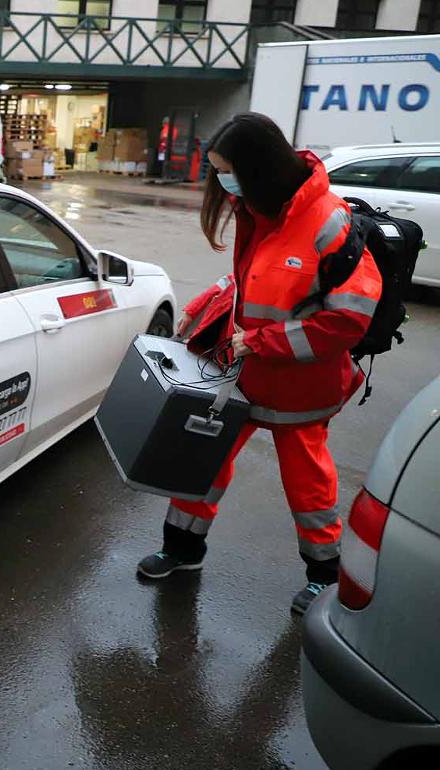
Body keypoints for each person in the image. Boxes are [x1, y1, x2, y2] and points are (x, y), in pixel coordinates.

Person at [136, 113, 383, 615]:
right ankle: (182, 550)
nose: (222, 182)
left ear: (260, 167)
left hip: (300, 385)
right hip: (242, 375)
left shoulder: (329, 223)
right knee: (202, 461)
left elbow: (349, 320)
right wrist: (205, 303)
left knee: (308, 483)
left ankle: (323, 574)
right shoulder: (256, 210)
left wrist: (266, 342)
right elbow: (252, 285)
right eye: (217, 171)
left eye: (227, 170)